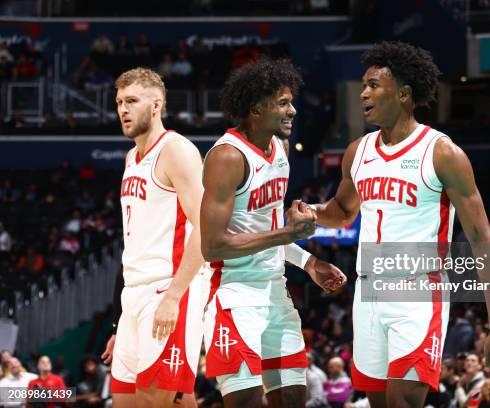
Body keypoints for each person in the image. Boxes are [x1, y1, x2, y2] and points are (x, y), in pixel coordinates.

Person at [308, 41, 490, 407]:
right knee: (378, 403)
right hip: (368, 292)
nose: (363, 93)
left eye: (373, 85)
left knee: (404, 402)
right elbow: (342, 210)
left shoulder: (442, 153)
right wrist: (311, 212)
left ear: (403, 93)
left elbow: (482, 240)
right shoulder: (358, 151)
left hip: (418, 290)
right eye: (364, 85)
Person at [200, 57, 347, 408]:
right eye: (283, 103)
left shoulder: (280, 149)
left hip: (274, 292)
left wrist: (309, 262)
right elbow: (212, 246)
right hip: (233, 297)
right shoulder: (227, 157)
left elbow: (268, 225)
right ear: (256, 109)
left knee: (294, 398)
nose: (293, 110)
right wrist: (287, 235)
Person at [103, 67, 208, 408]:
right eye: (119, 101)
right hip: (135, 294)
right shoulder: (131, 157)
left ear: (156, 104)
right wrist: (123, 319)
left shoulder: (176, 150)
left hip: (169, 287)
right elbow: (136, 242)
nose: (123, 109)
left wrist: (173, 297)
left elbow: (204, 227)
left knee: (161, 400)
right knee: (124, 400)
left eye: (132, 101)